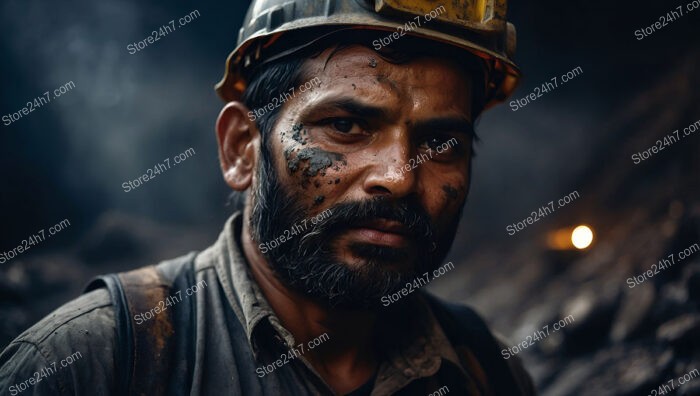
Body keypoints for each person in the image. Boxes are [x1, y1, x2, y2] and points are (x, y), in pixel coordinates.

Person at [0, 0, 535, 394]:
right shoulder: (90, 364)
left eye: (442, 143)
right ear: (241, 150)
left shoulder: (484, 367)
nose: (399, 176)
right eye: (345, 125)